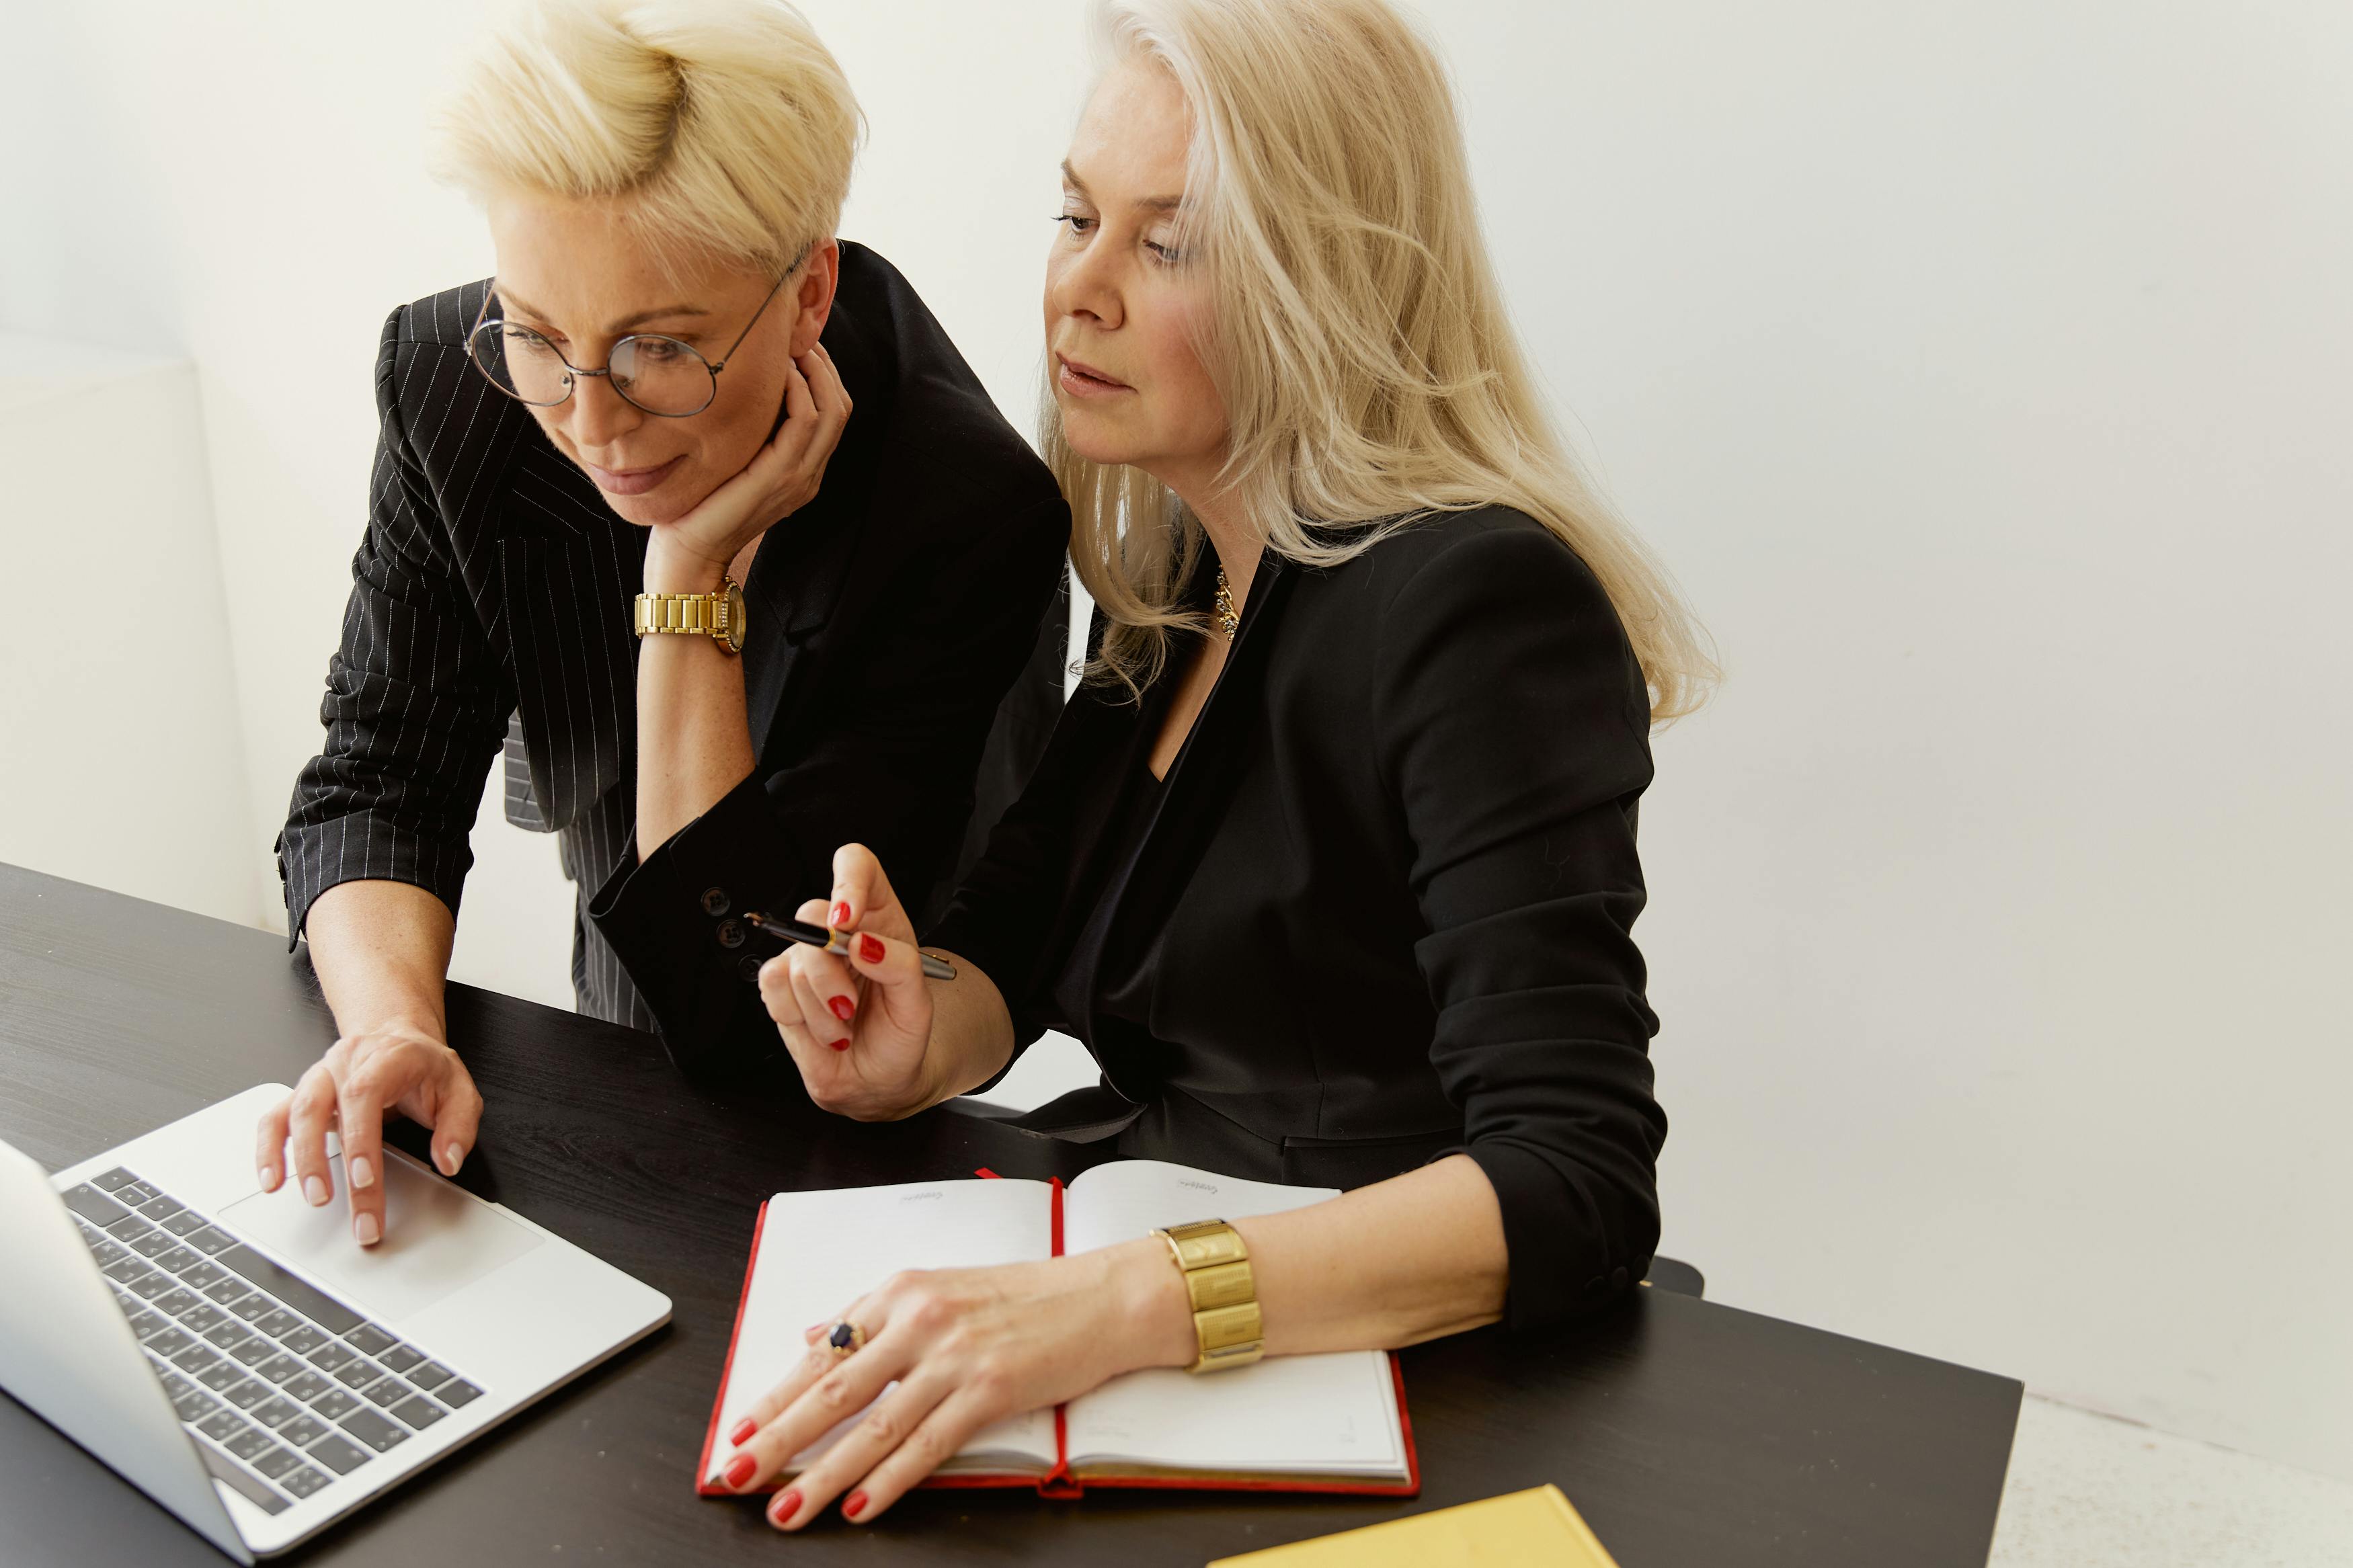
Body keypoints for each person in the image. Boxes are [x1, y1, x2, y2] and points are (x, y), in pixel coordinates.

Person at [717, 0, 1717, 1532]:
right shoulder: (1185, 582)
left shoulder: (1478, 603)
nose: (1078, 289)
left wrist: (1114, 1303)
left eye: (1166, 246)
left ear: (1330, 277)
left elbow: (1576, 1179)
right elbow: (1008, 947)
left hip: (1366, 1373)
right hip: (1139, 1293)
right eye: (1074, 216)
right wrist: (910, 1030)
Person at [255, 0, 1071, 1247]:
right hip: (612, 1034)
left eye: (657, 349)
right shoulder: (454, 383)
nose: (590, 419)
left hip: (853, 1144)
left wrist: (684, 580)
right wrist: (394, 1027)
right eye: (538, 335)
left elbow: (760, 1011)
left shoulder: (964, 510)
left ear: (810, 295)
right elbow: (377, 782)